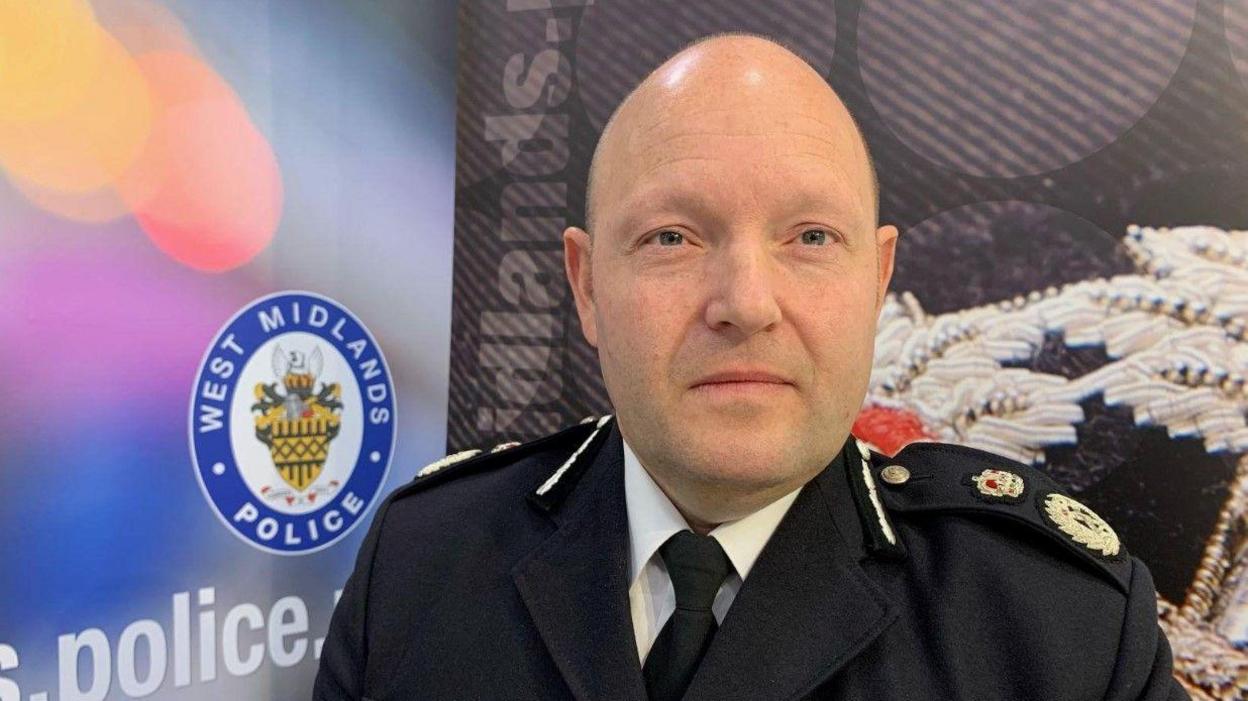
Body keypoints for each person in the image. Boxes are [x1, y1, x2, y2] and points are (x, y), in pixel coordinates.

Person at [314, 34, 1188, 700]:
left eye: (810, 237)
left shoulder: (1060, 629)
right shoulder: (420, 566)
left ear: (877, 280)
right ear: (585, 284)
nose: (746, 301)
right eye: (672, 237)